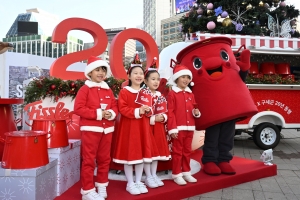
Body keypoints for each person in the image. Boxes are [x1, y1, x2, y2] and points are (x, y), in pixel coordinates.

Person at [112, 52, 160, 195]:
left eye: (140, 73)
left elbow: (152, 109)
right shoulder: (124, 92)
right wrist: (138, 111)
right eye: (135, 73)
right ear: (129, 76)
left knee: (141, 156)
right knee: (130, 156)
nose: (138, 76)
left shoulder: (146, 93)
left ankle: (138, 181)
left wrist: (148, 110)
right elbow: (123, 109)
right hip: (129, 128)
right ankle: (130, 183)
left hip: (143, 128)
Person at [74, 56, 118, 200]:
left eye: (103, 70)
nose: (101, 73)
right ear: (90, 72)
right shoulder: (84, 89)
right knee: (89, 160)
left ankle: (101, 185)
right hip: (90, 130)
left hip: (107, 130)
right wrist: (98, 114)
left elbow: (115, 107)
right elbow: (78, 109)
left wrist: (110, 113)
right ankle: (87, 190)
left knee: (105, 159)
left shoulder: (108, 90)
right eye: (97, 70)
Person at [167, 63, 201, 186]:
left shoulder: (190, 94)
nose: (186, 80)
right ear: (177, 78)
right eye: (183, 77)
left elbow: (193, 109)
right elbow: (170, 112)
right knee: (177, 152)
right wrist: (173, 129)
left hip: (189, 127)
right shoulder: (172, 94)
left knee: (187, 151)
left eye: (188, 77)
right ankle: (177, 173)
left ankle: (186, 171)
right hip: (178, 128)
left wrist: (196, 113)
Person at [143, 58, 171, 188]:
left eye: (157, 79)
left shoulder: (160, 95)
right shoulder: (142, 94)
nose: (156, 82)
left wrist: (163, 117)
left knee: (157, 153)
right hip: (147, 128)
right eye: (153, 79)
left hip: (158, 128)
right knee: (148, 153)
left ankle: (154, 175)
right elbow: (142, 114)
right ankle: (148, 176)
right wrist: (153, 119)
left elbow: (165, 110)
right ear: (146, 81)